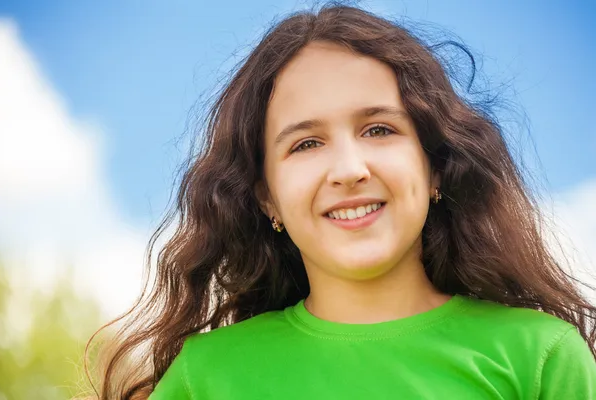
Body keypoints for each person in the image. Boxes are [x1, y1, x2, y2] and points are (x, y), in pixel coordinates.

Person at [86, 4, 596, 399]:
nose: (350, 169)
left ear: (436, 165)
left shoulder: (541, 358)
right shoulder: (205, 377)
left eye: (379, 129)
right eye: (306, 143)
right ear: (268, 199)